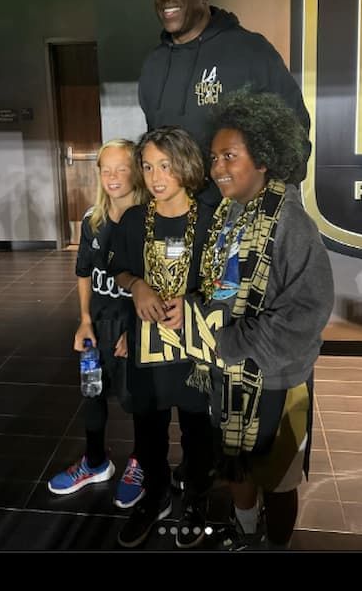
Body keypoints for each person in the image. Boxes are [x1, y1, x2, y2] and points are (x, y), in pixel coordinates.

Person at [168, 91, 333, 550]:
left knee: (277, 480)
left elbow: (308, 311)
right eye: (214, 156)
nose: (217, 167)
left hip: (276, 379)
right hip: (227, 373)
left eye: (230, 156)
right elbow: (219, 283)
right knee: (235, 464)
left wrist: (233, 340)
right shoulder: (228, 214)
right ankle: (243, 531)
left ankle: (275, 544)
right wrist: (192, 311)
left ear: (263, 159)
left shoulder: (292, 225)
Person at [107, 127, 220, 548]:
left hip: (193, 342)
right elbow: (119, 267)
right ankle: (154, 497)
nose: (156, 177)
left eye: (165, 166)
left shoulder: (212, 218)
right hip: (146, 339)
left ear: (186, 165)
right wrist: (137, 285)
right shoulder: (135, 219)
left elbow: (223, 284)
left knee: (197, 427)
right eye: (149, 166)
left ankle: (196, 498)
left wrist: (192, 302)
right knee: (148, 427)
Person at [138, 0, 311, 205]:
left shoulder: (250, 50)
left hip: (237, 220)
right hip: (179, 219)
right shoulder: (153, 65)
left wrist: (272, 203)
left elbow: (294, 131)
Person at [46, 139, 149, 505]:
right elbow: (84, 274)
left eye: (122, 168)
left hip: (135, 328)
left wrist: (136, 332)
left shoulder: (151, 221)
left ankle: (141, 463)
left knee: (138, 400)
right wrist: (84, 320)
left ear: (136, 171)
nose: (113, 176)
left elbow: (159, 283)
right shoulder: (93, 219)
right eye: (106, 169)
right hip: (100, 326)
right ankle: (94, 462)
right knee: (92, 393)